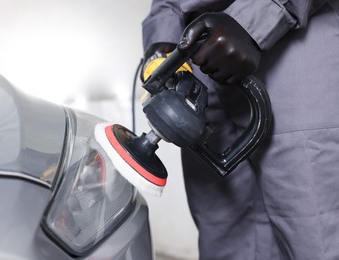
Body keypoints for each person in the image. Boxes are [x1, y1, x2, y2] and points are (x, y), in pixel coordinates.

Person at [141, 1, 339, 259]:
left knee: (316, 238)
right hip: (200, 64)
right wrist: (162, 37)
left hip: (297, 52)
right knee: (224, 238)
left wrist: (255, 19)